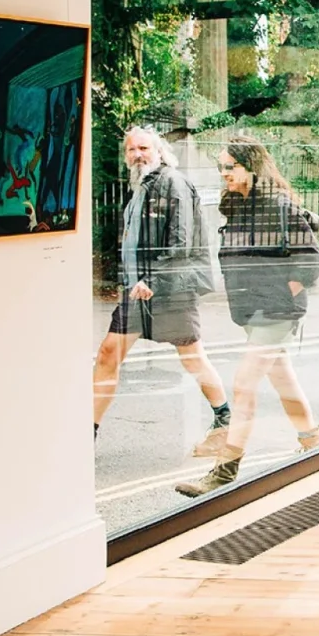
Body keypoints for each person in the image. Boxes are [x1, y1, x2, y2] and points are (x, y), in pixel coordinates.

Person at [176, 134, 319, 497]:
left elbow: (312, 261)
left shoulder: (278, 206)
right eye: (221, 167)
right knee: (283, 380)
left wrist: (280, 292)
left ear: (251, 167)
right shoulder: (238, 207)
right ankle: (313, 444)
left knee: (243, 385)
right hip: (252, 311)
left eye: (231, 166)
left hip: (275, 312)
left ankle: (225, 470)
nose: (224, 172)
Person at [93, 127, 232, 453]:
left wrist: (152, 280)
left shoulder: (173, 183)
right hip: (137, 292)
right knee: (107, 355)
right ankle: (88, 432)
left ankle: (225, 422)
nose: (137, 154)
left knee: (193, 358)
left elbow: (180, 243)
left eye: (144, 148)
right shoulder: (141, 187)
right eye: (131, 149)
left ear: (159, 151)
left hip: (170, 288)